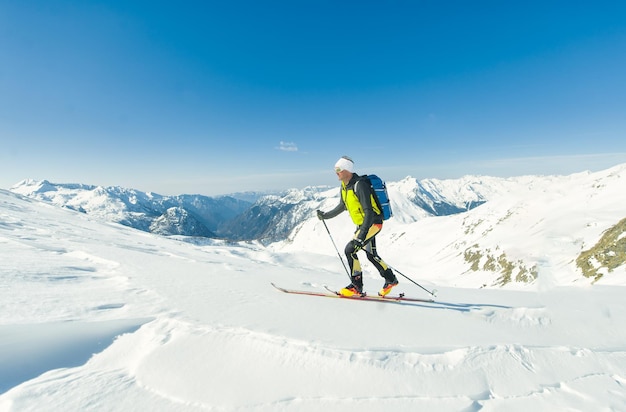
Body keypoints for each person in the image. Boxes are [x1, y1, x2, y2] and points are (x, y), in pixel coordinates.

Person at [317, 156, 398, 297]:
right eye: (335, 170)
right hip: (364, 225)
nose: (336, 172)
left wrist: (361, 235)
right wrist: (325, 215)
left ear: (347, 170)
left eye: (338, 170)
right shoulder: (344, 187)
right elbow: (342, 206)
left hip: (372, 223)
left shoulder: (359, 185)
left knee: (350, 250)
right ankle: (390, 279)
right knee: (371, 255)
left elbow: (369, 212)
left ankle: (356, 286)